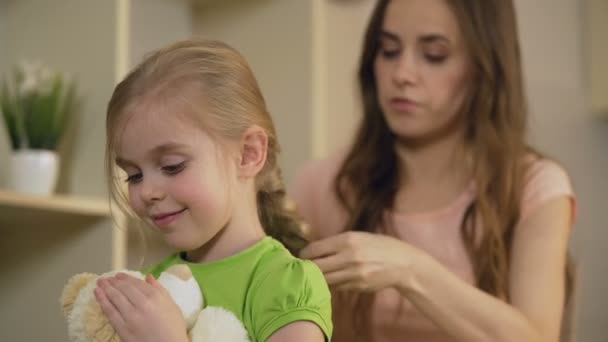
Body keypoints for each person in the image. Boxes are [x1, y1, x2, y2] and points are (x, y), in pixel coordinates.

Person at [291, 0, 576, 341]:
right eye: (389, 50)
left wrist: (408, 269)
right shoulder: (324, 184)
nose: (402, 74)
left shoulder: (535, 188)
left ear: (485, 66)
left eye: (434, 54)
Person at [94, 38, 332, 342]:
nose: (147, 192)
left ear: (248, 153)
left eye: (172, 166)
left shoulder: (286, 285)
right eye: (134, 175)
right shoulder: (155, 285)